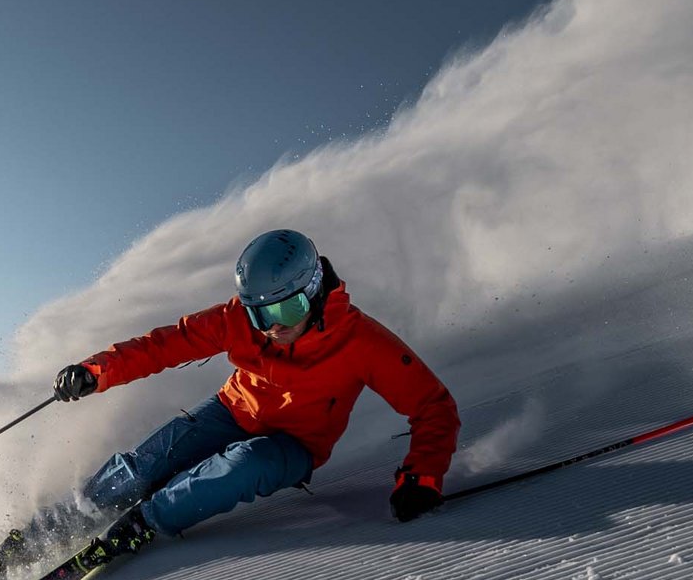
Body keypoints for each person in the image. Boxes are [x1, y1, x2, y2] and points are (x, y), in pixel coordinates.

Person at [50, 229, 460, 551]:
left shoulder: (361, 342)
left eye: (286, 309)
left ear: (314, 291)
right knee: (145, 467)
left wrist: (422, 477)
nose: (273, 326)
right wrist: (95, 371)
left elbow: (433, 406)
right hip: (233, 410)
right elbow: (166, 345)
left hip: (296, 444)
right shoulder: (239, 320)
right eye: (259, 313)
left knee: (241, 466)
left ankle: (142, 524)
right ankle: (69, 517)